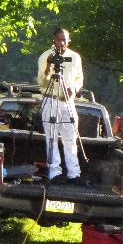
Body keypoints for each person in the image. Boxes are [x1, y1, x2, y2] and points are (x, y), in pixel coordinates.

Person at [37, 27, 84, 184]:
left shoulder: (75, 57)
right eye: (59, 39)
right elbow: (42, 82)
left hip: (68, 101)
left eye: (64, 40)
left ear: (68, 40)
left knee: (70, 139)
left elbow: (79, 78)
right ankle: (55, 173)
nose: (61, 43)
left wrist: (75, 89)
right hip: (51, 98)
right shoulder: (45, 56)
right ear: (53, 40)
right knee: (51, 138)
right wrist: (48, 67)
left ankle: (74, 174)